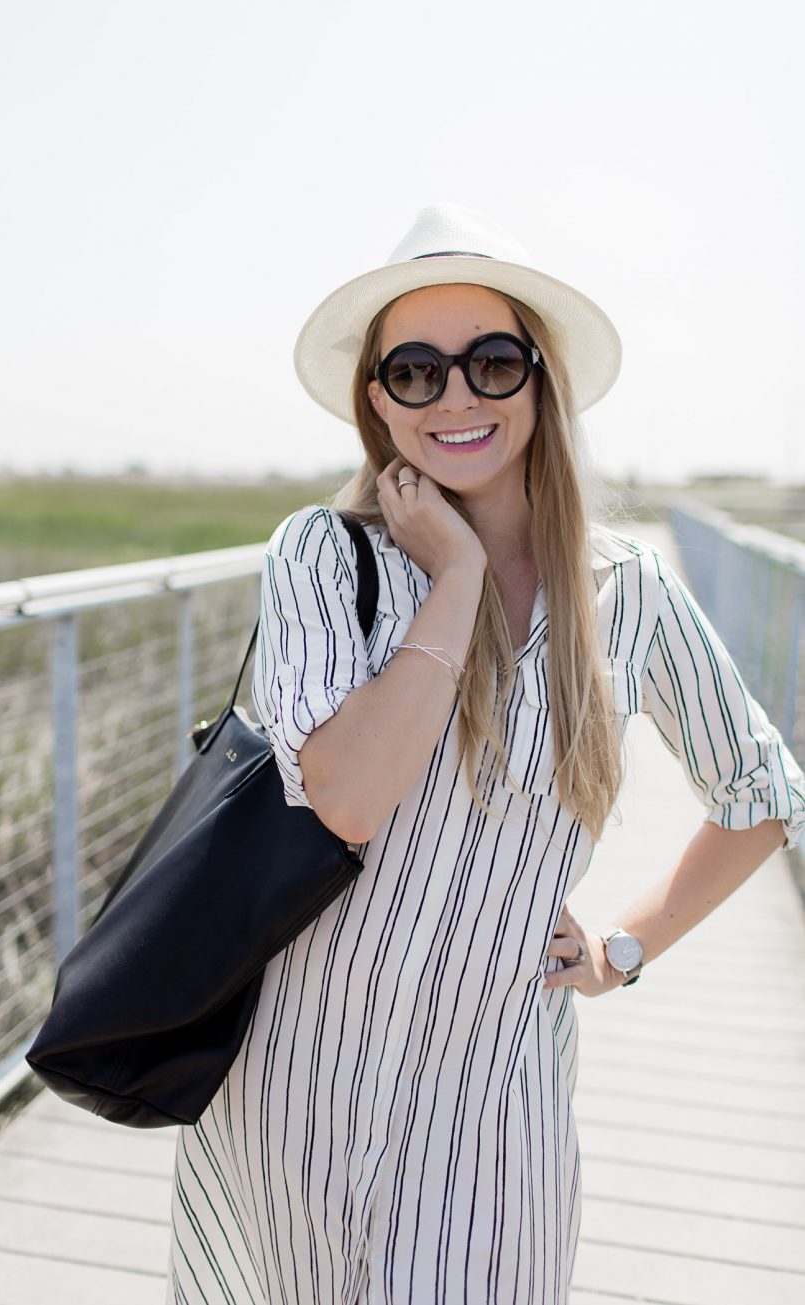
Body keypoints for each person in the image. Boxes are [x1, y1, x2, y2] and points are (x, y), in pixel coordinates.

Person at [166, 204, 805, 1303]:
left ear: (539, 382)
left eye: (491, 362)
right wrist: (454, 583)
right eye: (415, 371)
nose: (455, 396)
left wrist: (621, 949)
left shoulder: (627, 592)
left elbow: (762, 791)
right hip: (292, 1087)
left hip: (493, 1107)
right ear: (378, 400)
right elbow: (349, 802)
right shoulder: (325, 560)